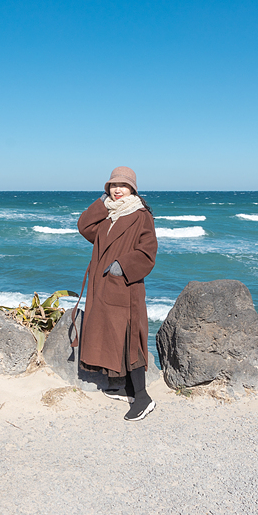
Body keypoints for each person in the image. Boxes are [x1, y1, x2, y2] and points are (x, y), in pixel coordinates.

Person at [77, 166, 158, 421]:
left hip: (126, 285)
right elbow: (83, 226)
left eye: (122, 186)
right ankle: (121, 385)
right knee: (109, 332)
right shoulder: (108, 215)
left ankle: (143, 397)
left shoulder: (140, 215)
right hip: (102, 286)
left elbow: (148, 251)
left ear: (132, 188)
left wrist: (123, 265)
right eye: (113, 186)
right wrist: (101, 204)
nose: (117, 190)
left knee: (130, 335)